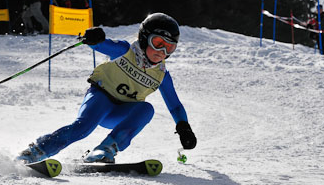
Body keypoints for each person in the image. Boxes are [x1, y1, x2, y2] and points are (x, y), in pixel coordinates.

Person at [17, 13, 197, 164]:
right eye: (158, 43)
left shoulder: (161, 74)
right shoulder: (125, 51)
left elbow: (175, 106)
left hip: (120, 113)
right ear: (144, 38)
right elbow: (102, 44)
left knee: (146, 109)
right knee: (83, 128)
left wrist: (184, 127)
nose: (162, 52)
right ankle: (37, 151)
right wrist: (95, 38)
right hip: (101, 98)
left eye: (169, 48)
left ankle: (104, 150)